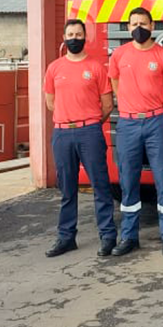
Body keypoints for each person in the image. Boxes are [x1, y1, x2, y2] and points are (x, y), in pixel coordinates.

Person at [108, 7, 163, 257]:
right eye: (134, 23)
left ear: (153, 26)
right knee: (128, 182)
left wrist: (151, 108)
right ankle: (129, 236)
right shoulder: (118, 55)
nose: (139, 27)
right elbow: (116, 86)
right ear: (128, 27)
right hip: (127, 124)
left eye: (143, 23)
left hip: (156, 123)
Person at [43, 19, 118, 257]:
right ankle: (66, 237)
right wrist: (69, 118)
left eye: (78, 34)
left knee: (100, 186)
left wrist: (90, 121)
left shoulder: (96, 67)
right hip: (62, 133)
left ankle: (107, 236)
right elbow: (50, 102)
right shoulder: (54, 68)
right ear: (64, 39)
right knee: (67, 189)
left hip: (90, 132)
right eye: (70, 34)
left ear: (85, 38)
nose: (74, 38)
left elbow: (107, 104)